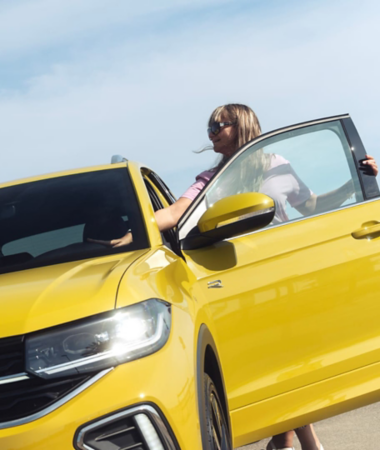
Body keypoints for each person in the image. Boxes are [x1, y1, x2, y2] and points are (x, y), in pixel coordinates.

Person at [91, 104, 378, 450]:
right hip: (242, 278)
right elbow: (176, 213)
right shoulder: (212, 180)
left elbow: (311, 205)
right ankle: (296, 442)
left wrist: (355, 183)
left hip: (286, 271)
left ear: (241, 126)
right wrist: (133, 234)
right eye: (209, 128)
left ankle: (290, 441)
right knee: (276, 357)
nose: (211, 133)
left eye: (218, 126)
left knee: (291, 355)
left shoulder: (279, 165)